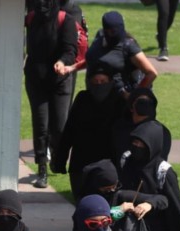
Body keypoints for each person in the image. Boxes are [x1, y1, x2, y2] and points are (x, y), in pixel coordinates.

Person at [24, 0, 78, 189]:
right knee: (41, 126)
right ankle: (41, 169)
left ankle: (57, 158)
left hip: (59, 81)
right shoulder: (30, 19)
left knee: (59, 126)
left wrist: (63, 62)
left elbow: (71, 50)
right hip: (36, 80)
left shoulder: (66, 20)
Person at [51, 66, 127, 198]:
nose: (99, 85)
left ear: (110, 82)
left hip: (108, 164)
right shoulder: (82, 99)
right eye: (95, 82)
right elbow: (70, 129)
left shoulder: (119, 102)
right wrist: (60, 159)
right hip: (82, 162)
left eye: (103, 82)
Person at [71, 12, 157, 99]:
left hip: (122, 98)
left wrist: (134, 96)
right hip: (99, 95)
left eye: (113, 31)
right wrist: (72, 68)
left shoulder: (129, 46)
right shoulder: (100, 37)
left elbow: (151, 73)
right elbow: (95, 59)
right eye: (108, 31)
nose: (110, 34)